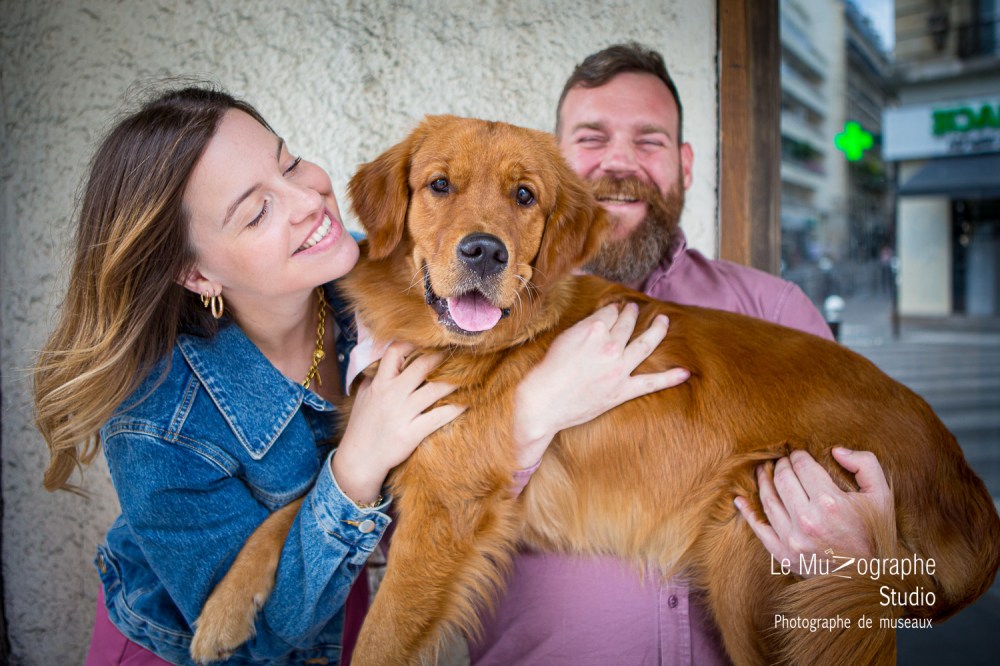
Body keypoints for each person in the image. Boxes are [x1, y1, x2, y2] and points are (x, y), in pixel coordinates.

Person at [32, 87, 685, 665]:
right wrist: (358, 465)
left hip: (340, 637)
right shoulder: (155, 426)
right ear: (197, 273)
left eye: (289, 163)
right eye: (256, 212)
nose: (306, 202)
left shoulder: (371, 286)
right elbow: (256, 644)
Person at [468, 43, 896, 665]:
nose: (620, 162)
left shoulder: (775, 313)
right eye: (592, 139)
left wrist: (866, 566)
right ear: (551, 163)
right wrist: (530, 417)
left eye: (650, 141)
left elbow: (906, 594)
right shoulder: (479, 316)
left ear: (685, 165)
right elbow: (411, 532)